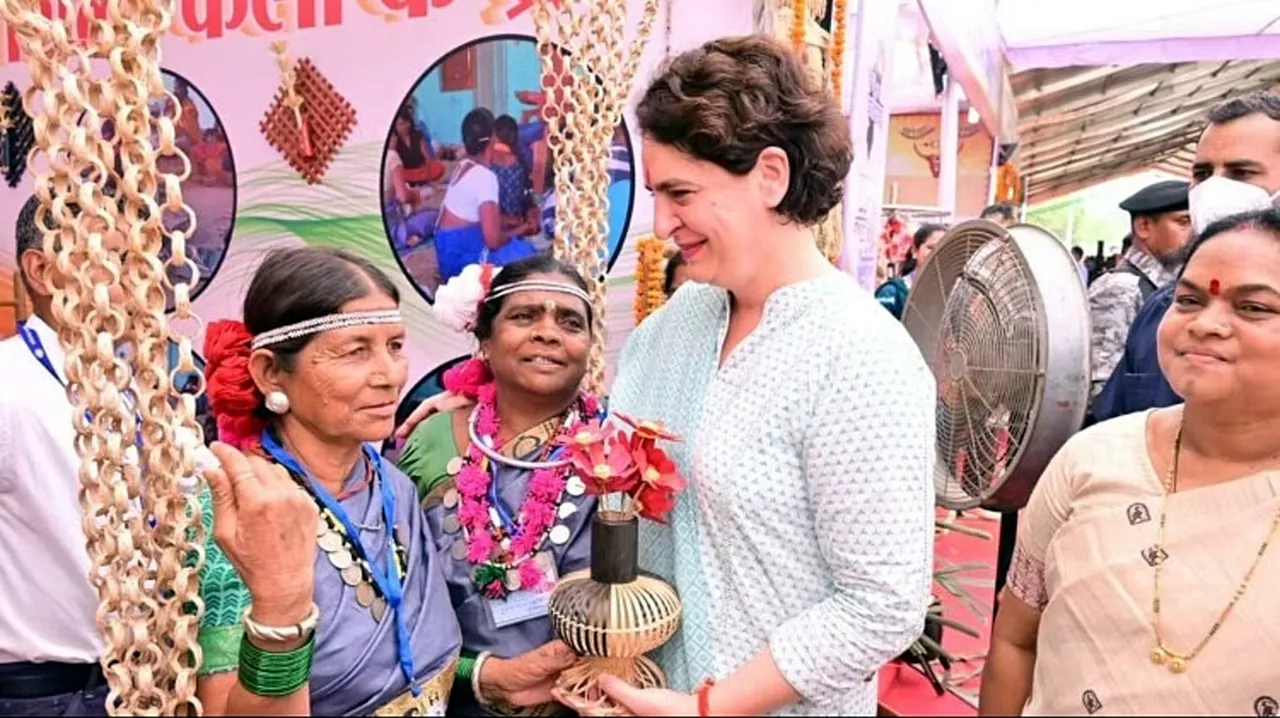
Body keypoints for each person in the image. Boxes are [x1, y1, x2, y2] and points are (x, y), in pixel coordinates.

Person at [397, 36, 936, 717]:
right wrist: (478, 407)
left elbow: (883, 605)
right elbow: (613, 448)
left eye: (680, 192)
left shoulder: (860, 356)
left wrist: (713, 707)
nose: (660, 224)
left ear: (770, 175)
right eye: (655, 193)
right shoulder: (669, 330)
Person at [194, 247, 553, 715]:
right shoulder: (240, 513)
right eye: (356, 351)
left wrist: (486, 677)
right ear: (269, 372)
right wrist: (281, 611)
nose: (390, 375)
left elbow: (418, 662)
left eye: (396, 346)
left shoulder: (392, 486)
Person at [978, 208, 1280, 716]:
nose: (1205, 324)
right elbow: (1013, 642)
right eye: (1188, 299)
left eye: (1252, 307)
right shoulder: (1089, 459)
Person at [398, 255, 597, 716]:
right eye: (524, 316)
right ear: (484, 340)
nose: (547, 331)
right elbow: (399, 606)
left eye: (570, 322)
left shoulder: (616, 450)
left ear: (589, 345)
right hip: (454, 696)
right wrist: (477, 673)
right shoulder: (433, 441)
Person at [1091, 93, 1280, 423]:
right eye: (1203, 174)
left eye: (1240, 173)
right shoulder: (1162, 310)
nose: (1213, 190)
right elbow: (1113, 423)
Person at [0, 197, 113, 716]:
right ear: (41, 271)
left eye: (137, 256)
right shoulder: (8, 386)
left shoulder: (137, 388)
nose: (128, 274)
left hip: (144, 679)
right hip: (45, 695)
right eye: (106, 253)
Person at [1087, 180, 1192, 399]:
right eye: (1184, 222)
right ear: (1144, 227)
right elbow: (1098, 388)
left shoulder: (1169, 287)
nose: (1194, 233)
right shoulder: (1121, 288)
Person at [435, 109, 537, 284]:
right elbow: (493, 241)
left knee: (511, 241)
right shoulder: (486, 177)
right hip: (460, 261)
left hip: (446, 250)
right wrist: (520, 230)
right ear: (493, 140)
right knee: (527, 254)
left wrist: (514, 221)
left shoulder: (463, 165)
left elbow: (478, 215)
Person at [876, 223, 946, 319]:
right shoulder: (891, 293)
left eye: (944, 248)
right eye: (931, 248)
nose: (937, 253)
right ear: (914, 251)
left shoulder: (950, 297)